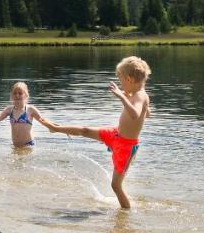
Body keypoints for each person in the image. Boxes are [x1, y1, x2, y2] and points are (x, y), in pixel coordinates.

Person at [43, 56, 152, 209]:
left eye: (121, 80)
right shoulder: (137, 94)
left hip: (126, 146)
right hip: (115, 135)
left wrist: (121, 96)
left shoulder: (140, 95)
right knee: (85, 130)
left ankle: (125, 217)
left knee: (116, 186)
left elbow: (134, 114)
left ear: (129, 79)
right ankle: (55, 129)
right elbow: (146, 113)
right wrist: (130, 98)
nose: (121, 85)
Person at [0, 81, 53, 148]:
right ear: (12, 95)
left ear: (26, 95)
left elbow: (43, 120)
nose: (17, 95)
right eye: (15, 93)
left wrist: (54, 127)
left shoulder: (30, 109)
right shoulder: (9, 110)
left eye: (20, 93)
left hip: (28, 145)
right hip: (15, 146)